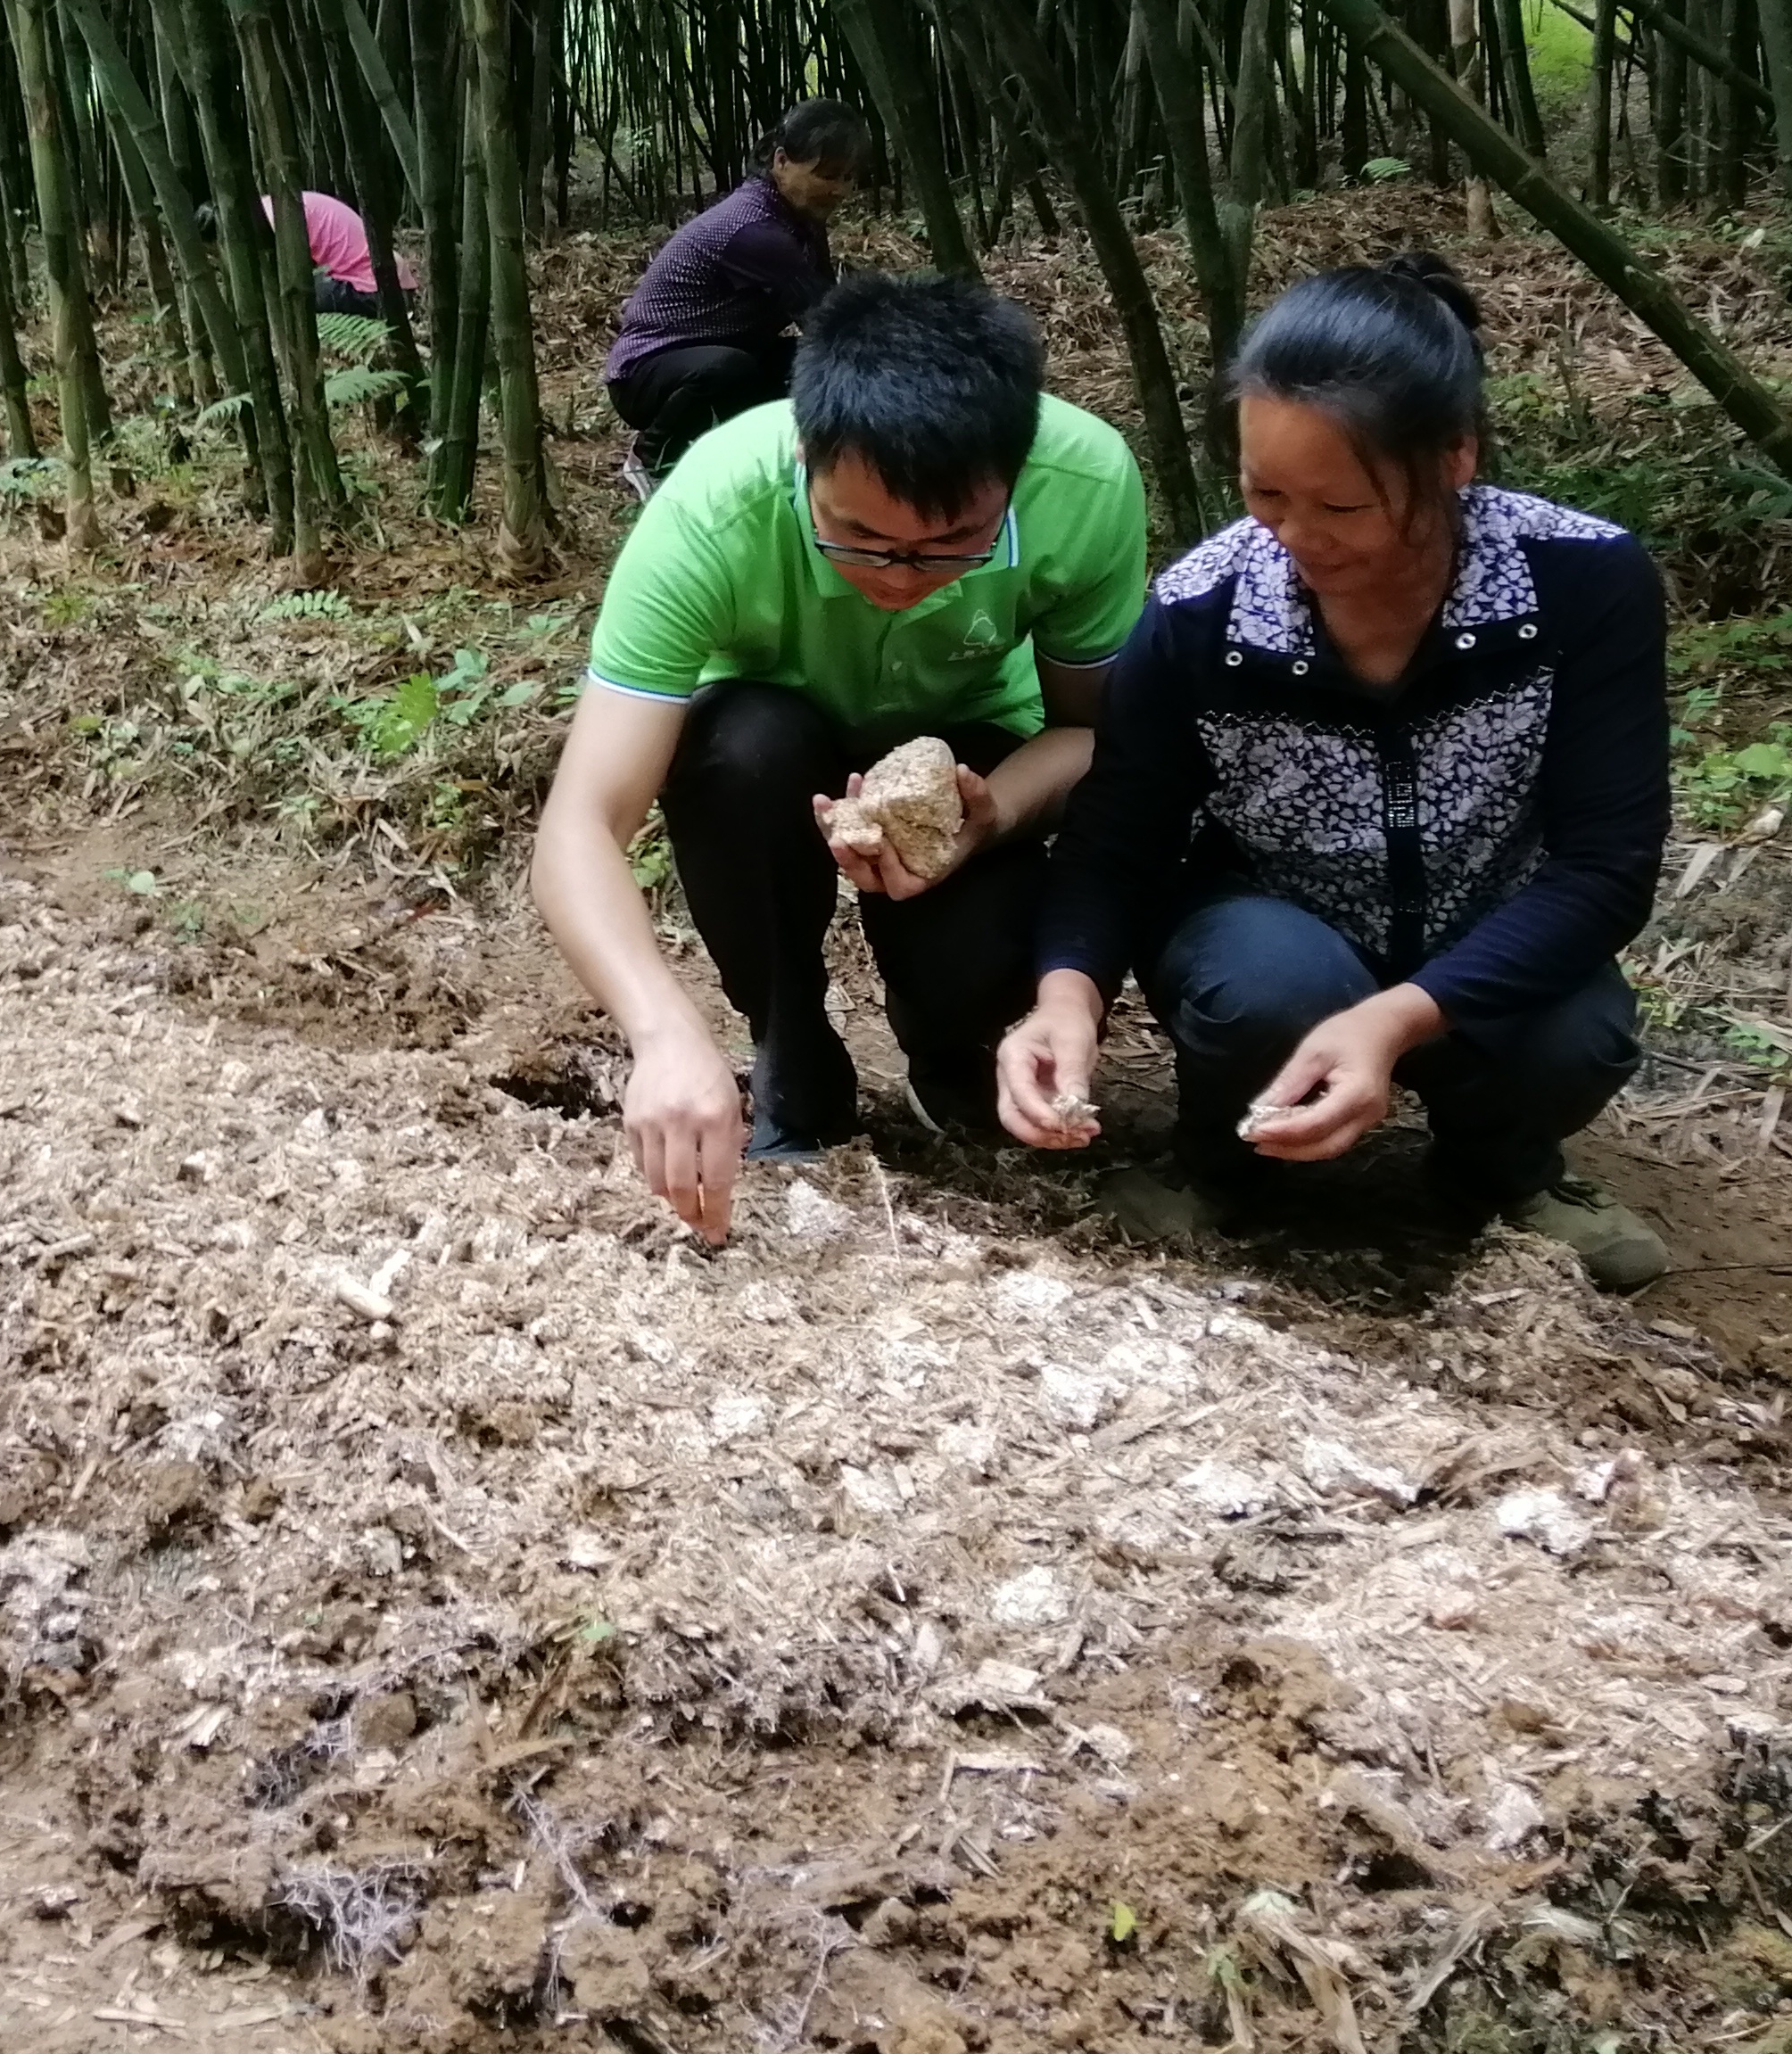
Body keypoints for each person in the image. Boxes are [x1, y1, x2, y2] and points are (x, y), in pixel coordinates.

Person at [999, 259, 1668, 1291]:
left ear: (1454, 458)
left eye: (1342, 506)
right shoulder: (1201, 613)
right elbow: (1117, 836)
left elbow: (1606, 866)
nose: (1297, 539)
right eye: (1265, 493)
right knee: (1272, 990)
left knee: (1578, 1034)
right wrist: (1066, 996)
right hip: (1273, 916)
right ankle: (1221, 1166)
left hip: (1489, 913)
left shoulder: (1582, 581)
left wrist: (1394, 1017)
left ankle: (1502, 1172)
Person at [532, 273, 1149, 1242]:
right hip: (777, 741)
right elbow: (581, 823)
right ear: (805, 455)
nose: (898, 578)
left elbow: (1095, 734)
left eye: (951, 548)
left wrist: (993, 815)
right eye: (858, 539)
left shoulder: (1086, 484)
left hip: (976, 739)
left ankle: (947, 1046)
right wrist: (662, 1032)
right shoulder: (714, 507)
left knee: (976, 946)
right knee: (737, 752)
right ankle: (790, 1045)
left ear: (1016, 478)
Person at [605, 103, 862, 487]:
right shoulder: (754, 229)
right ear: (781, 162)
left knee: (799, 364)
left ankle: (753, 460)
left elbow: (829, 309)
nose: (840, 190)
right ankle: (651, 458)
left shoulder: (801, 219)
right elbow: (822, 321)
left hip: (727, 350)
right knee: (737, 368)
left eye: (847, 177)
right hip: (645, 372)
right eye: (825, 175)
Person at [260, 190, 385, 315]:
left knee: (290, 295)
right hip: (382, 280)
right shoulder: (276, 205)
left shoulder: (274, 219)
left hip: (366, 290)